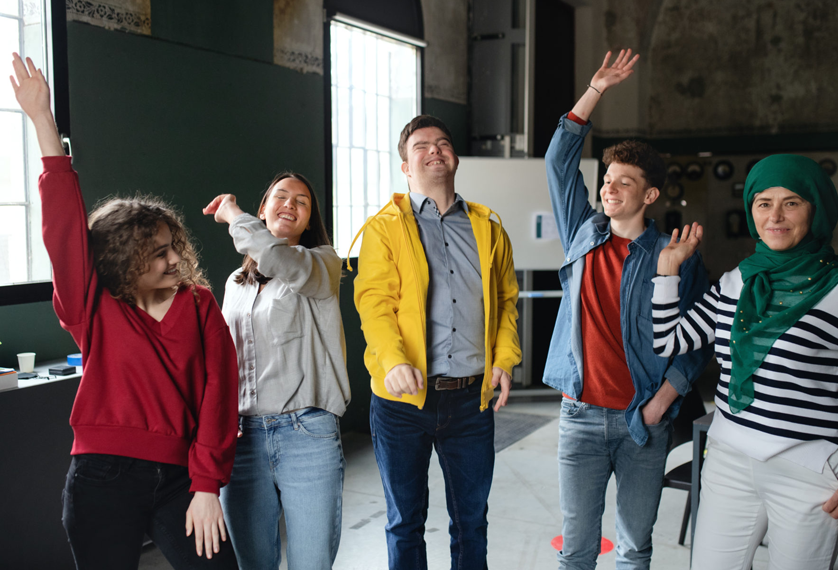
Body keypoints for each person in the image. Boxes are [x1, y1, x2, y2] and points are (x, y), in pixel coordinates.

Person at [9, 53, 239, 569]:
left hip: (183, 478)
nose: (176, 258)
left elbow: (219, 394)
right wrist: (45, 124)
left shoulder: (199, 304)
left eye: (174, 245)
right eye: (158, 252)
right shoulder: (92, 306)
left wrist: (207, 485)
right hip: (100, 479)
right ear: (124, 259)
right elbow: (64, 230)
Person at [541, 49, 712, 569]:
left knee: (635, 548)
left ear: (650, 194)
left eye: (624, 182)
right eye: (607, 179)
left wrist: (662, 403)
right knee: (577, 551)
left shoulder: (674, 256)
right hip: (581, 416)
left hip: (643, 419)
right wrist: (595, 90)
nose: (609, 188)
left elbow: (698, 338)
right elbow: (558, 162)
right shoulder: (582, 234)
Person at [652, 154, 838, 569]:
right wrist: (668, 272)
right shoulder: (735, 280)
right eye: (763, 203)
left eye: (792, 202)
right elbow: (669, 341)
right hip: (728, 460)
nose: (775, 215)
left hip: (809, 469)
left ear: (816, 209)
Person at [350, 114, 522, 569]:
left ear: (455, 157)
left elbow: (506, 301)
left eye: (442, 143)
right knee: (405, 520)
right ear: (406, 166)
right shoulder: (383, 228)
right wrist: (392, 359)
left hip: (471, 400)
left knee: (471, 520)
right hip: (401, 402)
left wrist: (504, 360)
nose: (434, 150)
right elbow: (374, 302)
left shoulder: (489, 228)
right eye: (421, 146)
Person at [202, 174, 350, 570]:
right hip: (244, 438)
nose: (290, 204)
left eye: (301, 202)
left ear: (308, 220)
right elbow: (223, 358)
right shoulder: (236, 282)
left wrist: (233, 214)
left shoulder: (322, 264)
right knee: (253, 563)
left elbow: (279, 259)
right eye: (280, 197)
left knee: (311, 563)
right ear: (264, 208)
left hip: (308, 434)